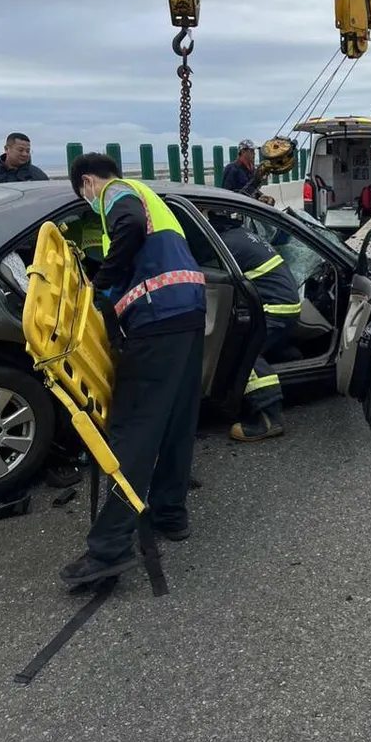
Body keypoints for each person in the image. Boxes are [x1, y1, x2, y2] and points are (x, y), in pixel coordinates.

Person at [60, 153, 207, 590]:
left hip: (156, 318)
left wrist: (103, 281)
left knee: (135, 432)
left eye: (83, 193)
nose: (89, 200)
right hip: (188, 312)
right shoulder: (151, 197)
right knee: (177, 422)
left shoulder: (116, 192)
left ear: (87, 181)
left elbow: (125, 226)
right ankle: (170, 515)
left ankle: (109, 550)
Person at [206, 210, 301, 442]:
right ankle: (289, 358)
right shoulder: (241, 235)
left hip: (275, 308)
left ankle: (270, 417)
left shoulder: (226, 244)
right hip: (285, 304)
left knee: (241, 349)